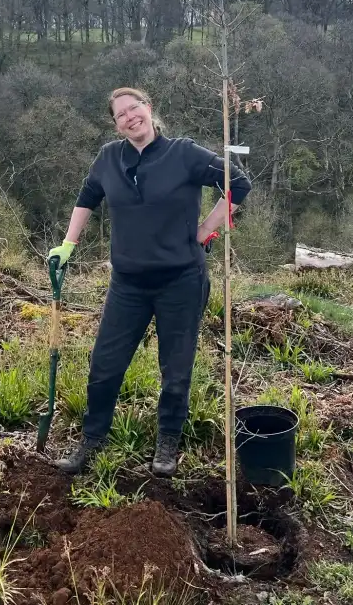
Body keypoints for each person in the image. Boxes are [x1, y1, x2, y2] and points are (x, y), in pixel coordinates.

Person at [48, 87, 252, 477]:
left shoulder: (185, 154)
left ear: (149, 108)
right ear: (115, 123)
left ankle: (167, 445)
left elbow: (238, 183)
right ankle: (91, 440)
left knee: (175, 370)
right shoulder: (109, 157)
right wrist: (67, 245)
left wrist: (208, 228)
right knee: (105, 366)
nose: (129, 117)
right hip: (128, 284)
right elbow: (87, 197)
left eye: (134, 108)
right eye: (120, 114)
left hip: (181, 280)